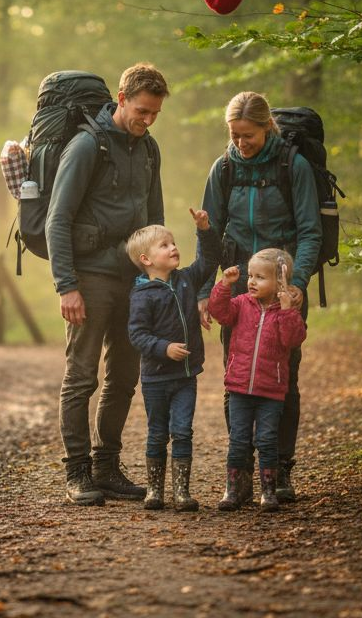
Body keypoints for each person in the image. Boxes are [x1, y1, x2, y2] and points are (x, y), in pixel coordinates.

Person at [47, 62, 169, 506]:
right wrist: (67, 285)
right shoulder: (86, 146)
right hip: (90, 276)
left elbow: (155, 219)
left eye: (155, 113)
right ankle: (77, 472)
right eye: (141, 111)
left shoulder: (150, 150)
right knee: (81, 378)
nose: (147, 120)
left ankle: (106, 466)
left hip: (136, 280)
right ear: (120, 99)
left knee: (124, 377)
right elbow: (57, 219)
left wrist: (159, 279)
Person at [196, 91, 321, 502]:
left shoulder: (292, 165)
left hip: (283, 291)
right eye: (234, 134)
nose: (240, 143)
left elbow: (309, 231)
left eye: (248, 135)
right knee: (237, 377)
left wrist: (297, 283)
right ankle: (241, 472)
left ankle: (279, 469)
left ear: (267, 128)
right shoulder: (225, 166)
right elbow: (209, 236)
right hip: (240, 289)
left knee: (284, 379)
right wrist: (205, 290)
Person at [125, 208, 221, 511]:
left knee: (182, 431)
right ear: (146, 260)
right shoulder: (142, 295)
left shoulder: (186, 280)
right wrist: (163, 348)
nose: (173, 248)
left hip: (185, 376)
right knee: (157, 432)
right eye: (164, 245)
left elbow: (208, 261)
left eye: (173, 242)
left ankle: (182, 492)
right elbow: (137, 334)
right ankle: (155, 490)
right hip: (155, 378)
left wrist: (204, 231)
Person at [207, 249, 306, 510]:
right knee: (238, 439)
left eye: (260, 277)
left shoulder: (286, 312)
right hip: (239, 388)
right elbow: (220, 313)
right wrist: (225, 285)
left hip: (270, 390)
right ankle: (233, 489)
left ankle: (268, 491)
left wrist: (286, 311)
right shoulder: (240, 303)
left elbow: (293, 340)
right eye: (250, 276)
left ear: (280, 283)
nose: (251, 281)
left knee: (266, 440)